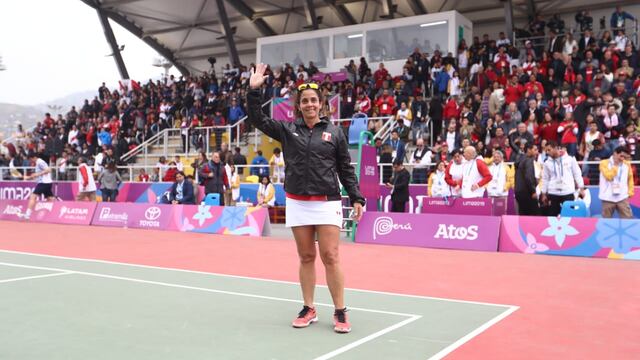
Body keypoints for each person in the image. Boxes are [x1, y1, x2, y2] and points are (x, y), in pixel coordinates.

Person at [247, 64, 365, 334]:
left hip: (327, 201)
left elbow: (346, 168)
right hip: (297, 201)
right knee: (306, 256)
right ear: (298, 106)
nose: (310, 104)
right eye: (305, 101)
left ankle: (340, 311)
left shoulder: (335, 133)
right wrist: (254, 90)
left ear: (321, 104)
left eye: (314, 100)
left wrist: (356, 197)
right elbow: (257, 119)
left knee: (331, 256)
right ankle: (309, 307)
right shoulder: (288, 130)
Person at [540, 142, 585, 216]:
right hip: (553, 192)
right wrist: (544, 193)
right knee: (552, 217)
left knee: (569, 216)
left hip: (568, 192)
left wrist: (581, 188)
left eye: (549, 150)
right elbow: (545, 178)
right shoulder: (547, 163)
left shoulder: (570, 159)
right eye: (546, 151)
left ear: (555, 148)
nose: (547, 152)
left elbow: (577, 174)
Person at [598, 146, 634, 218]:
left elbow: (630, 178)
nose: (622, 159)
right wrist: (616, 166)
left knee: (628, 219)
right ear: (615, 153)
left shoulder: (626, 164)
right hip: (607, 197)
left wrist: (630, 191)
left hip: (622, 197)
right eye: (621, 156)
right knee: (606, 222)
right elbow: (608, 176)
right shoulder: (603, 163)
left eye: (624, 157)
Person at [19, 153, 55, 220]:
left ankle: (27, 215)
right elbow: (38, 175)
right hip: (46, 183)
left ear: (34, 157)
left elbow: (49, 170)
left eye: (30, 159)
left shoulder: (40, 162)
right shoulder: (38, 163)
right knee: (50, 199)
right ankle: (55, 214)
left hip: (44, 183)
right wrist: (28, 177)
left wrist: (37, 174)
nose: (30, 161)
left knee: (33, 196)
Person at [515, 143, 540, 215]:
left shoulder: (520, 159)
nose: (537, 152)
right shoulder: (529, 160)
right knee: (535, 215)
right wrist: (533, 191)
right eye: (535, 150)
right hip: (527, 192)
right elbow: (528, 177)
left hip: (519, 192)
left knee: (523, 216)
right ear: (529, 150)